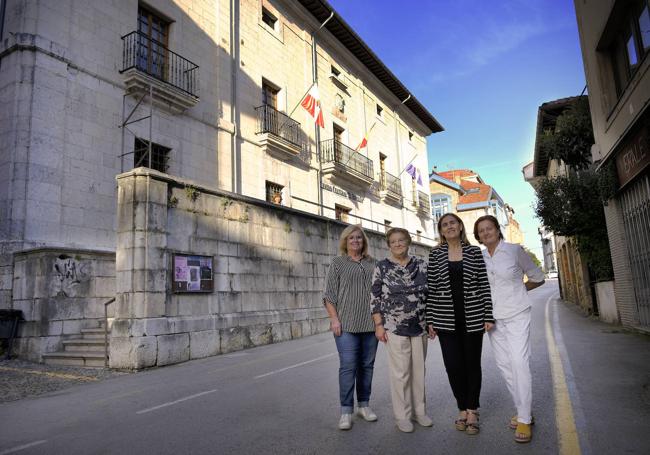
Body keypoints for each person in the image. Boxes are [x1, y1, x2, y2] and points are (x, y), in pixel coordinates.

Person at [474, 215, 545, 444]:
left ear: (497, 229)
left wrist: (520, 291)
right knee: (505, 366)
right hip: (493, 319)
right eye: (481, 231)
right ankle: (523, 409)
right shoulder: (480, 256)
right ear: (478, 236)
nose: (486, 233)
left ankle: (524, 418)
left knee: (519, 362)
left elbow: (538, 277)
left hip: (517, 314)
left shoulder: (514, 251)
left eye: (489, 228)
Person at [426, 213, 494, 435]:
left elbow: (484, 284)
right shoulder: (435, 254)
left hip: (473, 316)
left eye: (452, 223)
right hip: (445, 319)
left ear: (460, 226)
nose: (449, 227)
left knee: (472, 365)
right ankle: (461, 407)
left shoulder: (474, 252)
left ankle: (472, 409)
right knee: (453, 366)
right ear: (441, 231)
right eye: (445, 225)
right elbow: (432, 289)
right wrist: (430, 320)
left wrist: (488, 315)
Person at [370, 228, 431, 433]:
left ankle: (419, 412)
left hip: (420, 325)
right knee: (400, 374)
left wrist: (431, 322)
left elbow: (430, 295)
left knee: (419, 371)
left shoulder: (421, 264)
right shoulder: (382, 267)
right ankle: (402, 416)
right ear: (389, 245)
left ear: (408, 242)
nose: (397, 244)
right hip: (395, 327)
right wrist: (379, 325)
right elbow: (375, 298)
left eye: (401, 240)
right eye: (393, 241)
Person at [323, 224, 379, 431]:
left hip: (371, 324)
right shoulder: (337, 263)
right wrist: (334, 319)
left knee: (367, 366)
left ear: (364, 241)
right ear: (345, 242)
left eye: (359, 238)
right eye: (351, 238)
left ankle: (364, 405)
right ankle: (346, 411)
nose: (356, 241)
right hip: (346, 325)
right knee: (348, 367)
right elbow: (329, 294)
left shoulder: (374, 263)